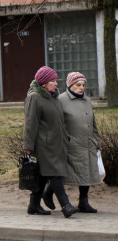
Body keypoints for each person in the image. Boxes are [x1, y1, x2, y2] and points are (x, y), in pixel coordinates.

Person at [23, 66, 78, 218]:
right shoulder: (34, 97)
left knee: (42, 177)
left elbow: (59, 121)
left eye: (56, 81)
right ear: (43, 83)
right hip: (43, 146)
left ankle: (33, 206)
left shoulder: (53, 98)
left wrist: (65, 137)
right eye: (52, 81)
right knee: (55, 174)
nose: (55, 84)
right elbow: (30, 123)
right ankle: (66, 206)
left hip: (56, 144)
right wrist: (27, 146)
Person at [42, 72, 101, 213]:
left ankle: (83, 202)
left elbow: (93, 123)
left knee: (86, 172)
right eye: (78, 85)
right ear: (70, 85)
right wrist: (65, 139)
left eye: (83, 85)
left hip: (88, 142)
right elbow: (56, 123)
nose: (81, 88)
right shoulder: (60, 100)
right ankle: (48, 193)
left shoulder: (86, 100)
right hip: (70, 144)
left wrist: (97, 141)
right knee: (65, 173)